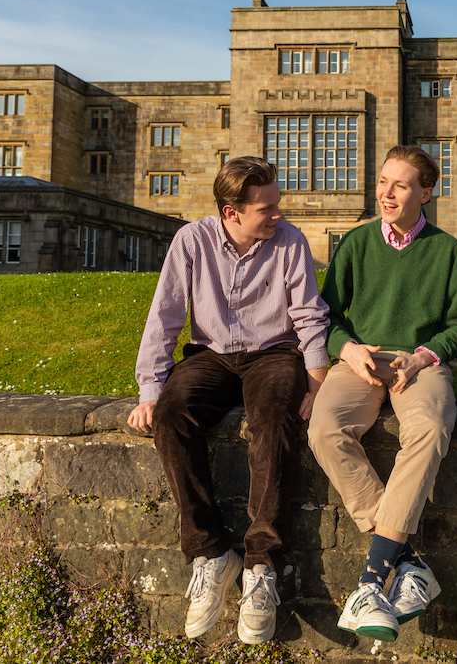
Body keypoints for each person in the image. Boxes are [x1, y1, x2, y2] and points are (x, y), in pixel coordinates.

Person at [129, 157, 330, 645]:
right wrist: (150, 391)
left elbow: (309, 314)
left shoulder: (290, 242)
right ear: (230, 212)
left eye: (277, 203)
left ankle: (262, 564)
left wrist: (316, 384)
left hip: (274, 352)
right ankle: (211, 553)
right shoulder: (191, 241)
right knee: (171, 415)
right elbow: (165, 316)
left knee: (274, 418)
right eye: (266, 208)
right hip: (211, 354)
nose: (277, 214)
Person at [307, 145, 457, 643]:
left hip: (419, 362)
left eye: (400, 184)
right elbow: (326, 316)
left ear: (426, 192)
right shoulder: (355, 243)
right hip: (361, 358)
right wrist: (347, 348)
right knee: (324, 430)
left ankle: (370, 581)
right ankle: (408, 560)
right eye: (383, 182)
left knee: (430, 428)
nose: (387, 193)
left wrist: (424, 356)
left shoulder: (448, 251)